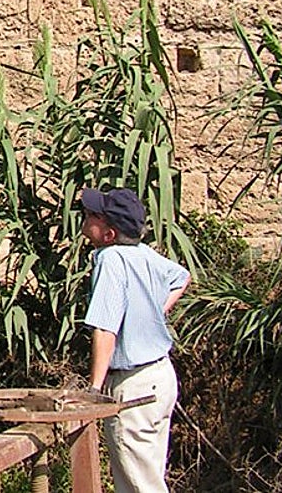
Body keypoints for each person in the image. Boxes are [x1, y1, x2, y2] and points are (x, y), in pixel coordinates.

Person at [80, 186, 191, 493]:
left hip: (133, 387)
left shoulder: (111, 260)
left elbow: (104, 329)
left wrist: (93, 389)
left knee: (142, 487)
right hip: (160, 378)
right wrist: (154, 311)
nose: (86, 217)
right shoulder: (143, 253)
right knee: (144, 479)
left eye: (93, 215)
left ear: (109, 233)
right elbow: (181, 277)